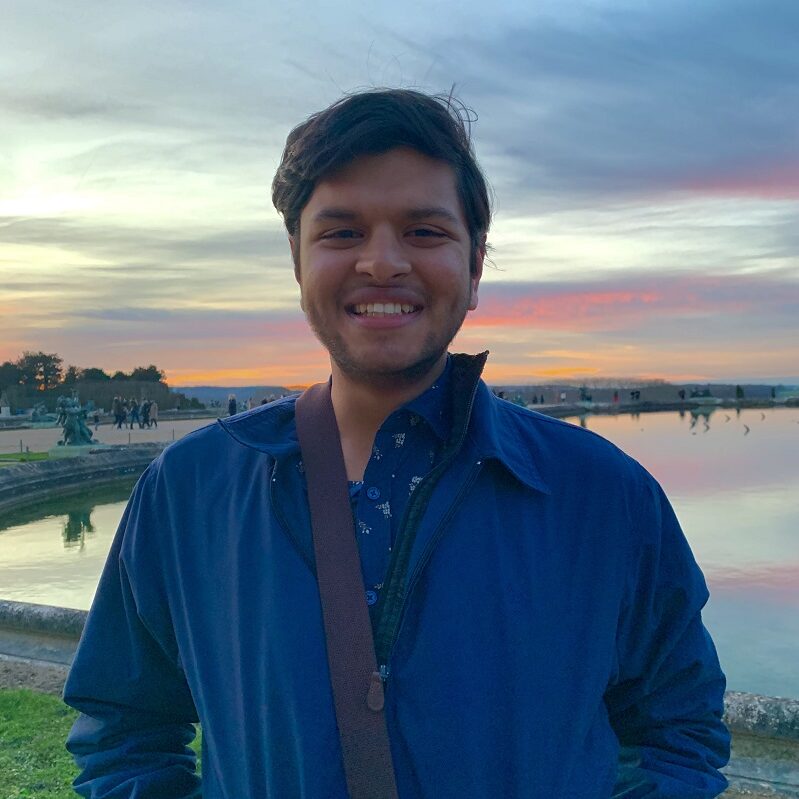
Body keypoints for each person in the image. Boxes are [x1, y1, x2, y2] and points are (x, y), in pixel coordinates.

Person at [64, 89, 730, 798]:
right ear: (297, 260)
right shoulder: (190, 489)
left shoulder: (601, 493)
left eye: (423, 232)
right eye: (342, 232)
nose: (381, 263)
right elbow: (126, 729)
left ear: (474, 266)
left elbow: (676, 727)